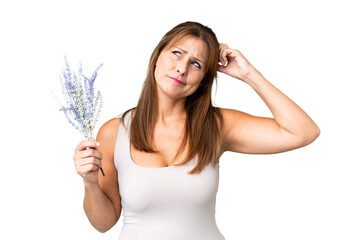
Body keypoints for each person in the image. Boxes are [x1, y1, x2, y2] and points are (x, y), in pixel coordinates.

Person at [73, 21, 320, 239]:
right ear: (157, 56)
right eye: (177, 53)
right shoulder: (115, 132)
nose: (182, 68)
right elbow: (103, 224)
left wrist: (249, 74)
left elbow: (302, 132)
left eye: (196, 64)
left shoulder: (217, 125)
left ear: (204, 78)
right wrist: (90, 182)